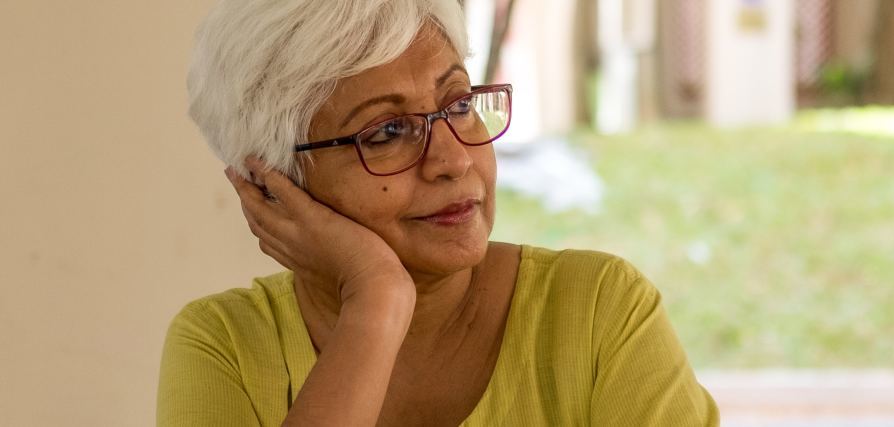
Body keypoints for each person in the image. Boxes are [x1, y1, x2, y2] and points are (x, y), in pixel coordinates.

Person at [156, 0, 719, 425]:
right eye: (387, 132)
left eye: (459, 104)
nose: (453, 158)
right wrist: (376, 301)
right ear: (274, 185)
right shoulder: (223, 345)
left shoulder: (600, 310)